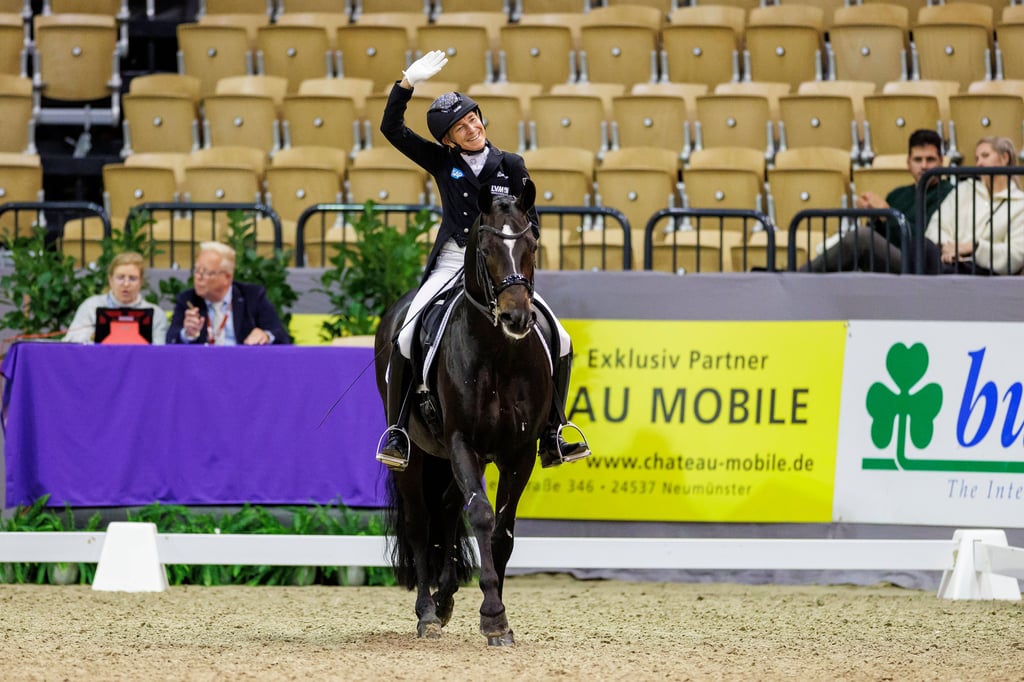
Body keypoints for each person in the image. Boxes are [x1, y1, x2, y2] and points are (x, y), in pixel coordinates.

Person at [375, 49, 591, 470]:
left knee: (561, 338)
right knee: (404, 336)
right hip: (456, 258)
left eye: (474, 119)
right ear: (448, 139)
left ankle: (554, 431)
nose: (472, 128)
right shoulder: (442, 162)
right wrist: (406, 84)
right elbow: (391, 128)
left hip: (502, 265)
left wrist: (518, 255)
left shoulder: (510, 164)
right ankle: (399, 430)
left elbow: (530, 219)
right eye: (461, 126)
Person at [802, 129, 953, 273]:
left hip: (923, 265)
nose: (924, 166)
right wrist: (874, 216)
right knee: (858, 241)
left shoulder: (950, 194)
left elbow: (926, 241)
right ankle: (801, 277)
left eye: (930, 160)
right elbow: (878, 237)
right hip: (893, 259)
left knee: (861, 237)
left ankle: (798, 276)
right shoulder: (897, 194)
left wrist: (887, 213)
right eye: (918, 160)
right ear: (908, 162)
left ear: (941, 161)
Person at [923, 135, 1024, 275]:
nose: (979, 163)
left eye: (985, 156)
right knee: (919, 245)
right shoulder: (964, 189)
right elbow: (937, 226)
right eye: (977, 159)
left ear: (1004, 158)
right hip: (948, 260)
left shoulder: (1020, 204)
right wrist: (949, 249)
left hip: (985, 271)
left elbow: (1015, 255)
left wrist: (973, 248)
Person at [166, 241, 290, 345]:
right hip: (202, 368)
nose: (199, 277)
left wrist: (266, 336)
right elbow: (170, 339)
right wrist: (187, 334)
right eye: (197, 271)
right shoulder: (188, 300)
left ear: (227, 277)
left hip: (243, 366)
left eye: (207, 273)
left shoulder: (252, 296)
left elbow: (281, 335)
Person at [64, 251, 170, 344]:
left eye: (132, 278)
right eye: (120, 277)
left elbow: (158, 351)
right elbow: (72, 342)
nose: (126, 284)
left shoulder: (157, 314)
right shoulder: (91, 306)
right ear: (110, 280)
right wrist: (92, 338)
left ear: (141, 282)